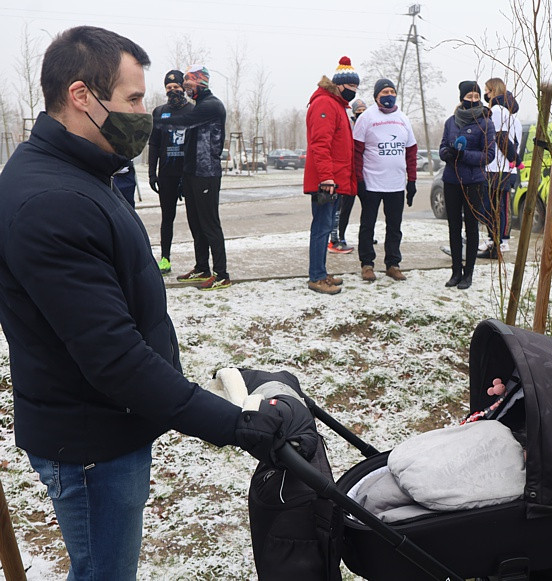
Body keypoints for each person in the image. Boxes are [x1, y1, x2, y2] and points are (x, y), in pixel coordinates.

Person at [0, 25, 316, 580]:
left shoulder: (81, 172)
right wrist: (232, 424)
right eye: (133, 98)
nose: (145, 112)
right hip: (90, 442)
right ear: (81, 97)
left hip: (109, 424)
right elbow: (113, 357)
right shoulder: (51, 201)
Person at [156, 65, 231, 290]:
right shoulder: (200, 105)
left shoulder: (211, 106)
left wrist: (153, 122)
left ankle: (221, 274)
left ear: (201, 83)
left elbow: (183, 121)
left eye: (188, 85)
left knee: (209, 224)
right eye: (185, 86)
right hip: (190, 172)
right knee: (196, 223)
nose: (186, 90)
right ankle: (202, 268)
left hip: (206, 173)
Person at [304, 56, 360, 294]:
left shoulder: (335, 104)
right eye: (351, 87)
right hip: (326, 181)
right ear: (339, 85)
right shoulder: (325, 104)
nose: (354, 91)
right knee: (321, 227)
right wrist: (327, 177)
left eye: (357, 87)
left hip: (333, 180)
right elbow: (320, 143)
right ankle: (316, 277)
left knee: (326, 227)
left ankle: (321, 271)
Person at [354, 78, 418, 282]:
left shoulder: (403, 118)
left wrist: (412, 181)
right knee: (368, 225)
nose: (389, 95)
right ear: (376, 96)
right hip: (372, 183)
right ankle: (367, 264)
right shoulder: (366, 117)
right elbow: (356, 151)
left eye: (392, 91)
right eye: (384, 92)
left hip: (396, 184)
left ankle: (393, 263)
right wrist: (359, 181)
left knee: (394, 226)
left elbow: (411, 151)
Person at [439, 80, 495, 289]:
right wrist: (448, 153)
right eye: (469, 96)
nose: (473, 100)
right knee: (453, 227)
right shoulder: (451, 122)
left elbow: (488, 155)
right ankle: (456, 271)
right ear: (461, 98)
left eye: (476, 97)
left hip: (474, 182)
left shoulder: (486, 123)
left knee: (471, 228)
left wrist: (463, 155)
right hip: (451, 180)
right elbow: (443, 146)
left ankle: (468, 273)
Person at [148, 69, 194, 274]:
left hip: (188, 174)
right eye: (169, 88)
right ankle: (165, 259)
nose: (173, 91)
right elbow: (154, 144)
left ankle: (201, 263)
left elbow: (196, 146)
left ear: (183, 87)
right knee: (167, 218)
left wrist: (191, 173)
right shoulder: (159, 112)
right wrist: (152, 173)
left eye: (176, 87)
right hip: (166, 174)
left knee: (196, 219)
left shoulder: (193, 111)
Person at [478, 78, 522, 259]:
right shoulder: (510, 114)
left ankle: (500, 240)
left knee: (497, 207)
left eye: (487, 91)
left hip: (498, 167)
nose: (485, 95)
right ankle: (494, 238)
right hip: (502, 167)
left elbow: (502, 138)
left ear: (493, 91)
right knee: (495, 206)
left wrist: (514, 159)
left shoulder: (497, 111)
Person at [328, 97, 368, 254]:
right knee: (343, 208)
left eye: (364, 111)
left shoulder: (368, 124)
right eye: (359, 112)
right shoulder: (349, 125)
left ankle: (367, 236)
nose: (362, 114)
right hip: (348, 175)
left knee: (368, 208)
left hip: (364, 175)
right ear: (354, 113)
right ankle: (338, 238)